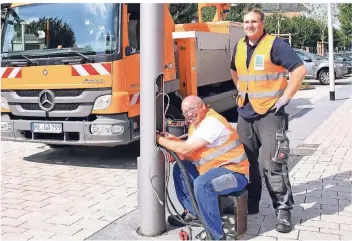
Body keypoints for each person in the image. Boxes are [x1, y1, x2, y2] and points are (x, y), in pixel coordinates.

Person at [230, 7, 307, 233]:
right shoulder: (240, 46)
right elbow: (234, 70)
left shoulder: (275, 44)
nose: (249, 25)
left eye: (253, 21)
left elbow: (299, 70)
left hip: (270, 114)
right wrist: (240, 89)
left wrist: (285, 98)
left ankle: (283, 211)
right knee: (247, 163)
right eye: (246, 22)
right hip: (245, 113)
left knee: (272, 162)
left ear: (262, 23)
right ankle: (252, 204)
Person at [156, 95, 249, 240]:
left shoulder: (212, 122)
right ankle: (195, 214)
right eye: (185, 112)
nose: (189, 114)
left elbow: (186, 149)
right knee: (181, 169)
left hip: (235, 174)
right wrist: (174, 141)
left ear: (203, 106)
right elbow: (191, 152)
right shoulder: (196, 124)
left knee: (203, 185)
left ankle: (215, 235)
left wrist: (159, 139)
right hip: (213, 172)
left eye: (192, 109)